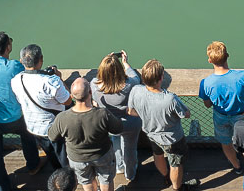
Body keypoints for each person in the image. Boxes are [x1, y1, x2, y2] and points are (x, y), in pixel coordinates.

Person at [0, 32, 41, 191]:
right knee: (27, 132)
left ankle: (2, 188)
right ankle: (33, 165)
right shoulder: (14, 66)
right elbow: (29, 71)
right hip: (11, 119)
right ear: (8, 47)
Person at [128, 59, 198, 191]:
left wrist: (146, 115)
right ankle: (177, 187)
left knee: (158, 154)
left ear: (143, 77)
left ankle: (166, 176)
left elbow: (131, 111)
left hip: (151, 134)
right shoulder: (169, 98)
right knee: (175, 163)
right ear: (161, 78)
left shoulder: (136, 90)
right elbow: (186, 114)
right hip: (172, 139)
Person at [48, 79, 122, 191]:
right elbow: (118, 129)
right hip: (102, 154)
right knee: (105, 179)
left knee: (86, 181)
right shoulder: (102, 114)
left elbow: (52, 136)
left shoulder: (62, 118)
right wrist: (97, 109)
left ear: (72, 96)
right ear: (90, 92)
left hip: (77, 158)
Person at [198, 41, 244, 175]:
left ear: (210, 60)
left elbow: (207, 104)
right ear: (227, 56)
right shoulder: (243, 76)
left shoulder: (206, 83)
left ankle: (237, 167)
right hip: (242, 115)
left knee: (226, 142)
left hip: (221, 116)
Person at [10, 44, 71, 170]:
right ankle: (67, 177)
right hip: (55, 127)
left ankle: (57, 174)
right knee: (63, 155)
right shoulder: (50, 81)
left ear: (22, 61)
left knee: (51, 153)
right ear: (41, 59)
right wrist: (59, 79)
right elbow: (67, 100)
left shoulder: (16, 80)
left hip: (34, 127)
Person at [91, 51, 142, 184]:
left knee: (115, 142)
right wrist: (125, 63)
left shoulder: (95, 85)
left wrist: (107, 59)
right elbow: (135, 77)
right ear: (119, 71)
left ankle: (119, 166)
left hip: (109, 123)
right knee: (130, 149)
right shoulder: (129, 84)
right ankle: (130, 173)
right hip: (130, 123)